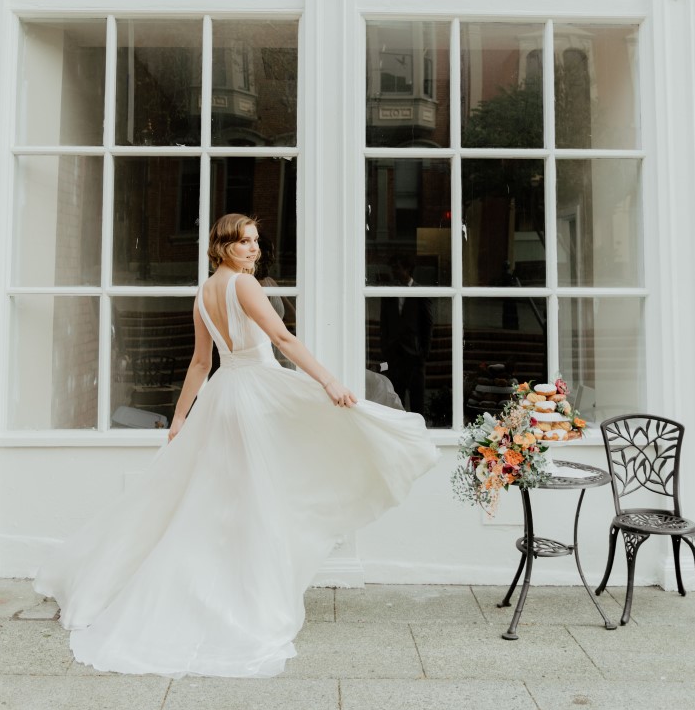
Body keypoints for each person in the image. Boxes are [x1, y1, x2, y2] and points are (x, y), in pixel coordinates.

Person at [34, 213, 439, 678]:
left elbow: (202, 364)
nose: (253, 249)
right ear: (222, 246)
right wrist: (329, 381)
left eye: (255, 241)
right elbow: (282, 337)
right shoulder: (244, 286)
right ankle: (249, 601)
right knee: (267, 493)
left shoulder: (204, 292)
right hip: (255, 397)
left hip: (225, 396)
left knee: (230, 501)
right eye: (243, 242)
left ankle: (229, 589)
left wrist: (184, 416)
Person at [380, 255, 434, 416]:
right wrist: (384, 352)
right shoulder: (389, 293)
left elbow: (428, 325)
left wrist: (424, 354)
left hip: (414, 357)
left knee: (417, 401)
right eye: (393, 268)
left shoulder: (420, 292)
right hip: (394, 357)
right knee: (396, 401)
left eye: (397, 268)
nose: (394, 271)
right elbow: (384, 325)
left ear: (407, 269)